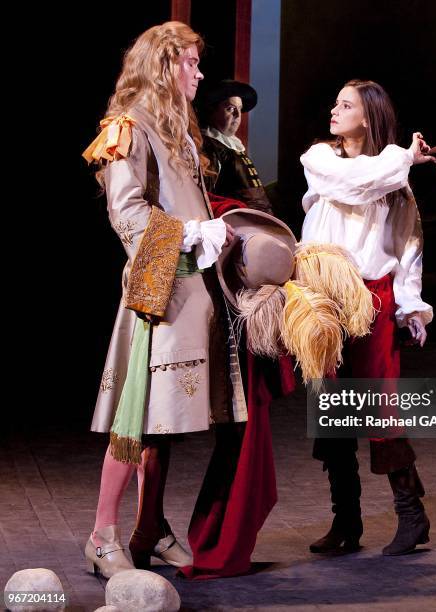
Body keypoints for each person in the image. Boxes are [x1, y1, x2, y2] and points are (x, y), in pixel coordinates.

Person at [82, 21, 243, 578]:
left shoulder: (179, 128)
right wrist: (192, 234)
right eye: (191, 64)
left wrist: (214, 229)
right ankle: (103, 534)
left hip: (193, 289)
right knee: (139, 416)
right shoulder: (128, 126)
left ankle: (151, 526)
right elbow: (126, 213)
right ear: (165, 63)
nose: (199, 74)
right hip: (158, 288)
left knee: (166, 419)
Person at [300, 79, 435, 555]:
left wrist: (409, 304)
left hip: (373, 299)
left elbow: (408, 244)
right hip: (323, 297)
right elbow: (354, 184)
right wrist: (403, 158)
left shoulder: (394, 182)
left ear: (368, 115)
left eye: (346, 104)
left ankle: (411, 516)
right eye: (335, 102)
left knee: (380, 406)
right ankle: (346, 522)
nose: (334, 110)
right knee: (332, 409)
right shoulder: (321, 159)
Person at [198, 80, 274, 215]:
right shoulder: (209, 147)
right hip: (235, 223)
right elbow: (207, 197)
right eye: (231, 109)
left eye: (239, 109)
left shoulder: (232, 146)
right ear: (212, 110)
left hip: (255, 219)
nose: (238, 116)